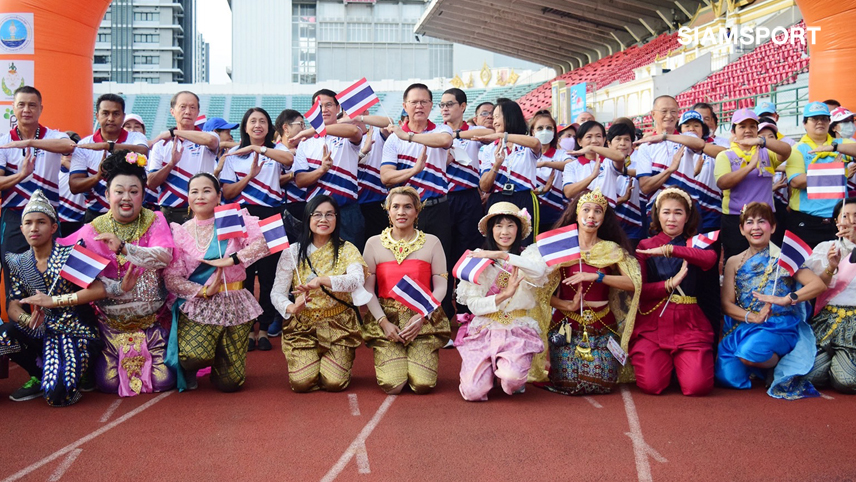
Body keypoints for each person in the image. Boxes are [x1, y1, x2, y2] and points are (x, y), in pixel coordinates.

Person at [61, 150, 176, 396]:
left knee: (165, 379)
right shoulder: (92, 229)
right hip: (111, 325)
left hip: (152, 322)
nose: (126, 198)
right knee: (108, 383)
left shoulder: (155, 220)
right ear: (107, 194)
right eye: (119, 191)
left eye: (134, 192)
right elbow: (61, 255)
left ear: (143, 195)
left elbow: (165, 255)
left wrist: (124, 248)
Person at [163, 173, 268, 392]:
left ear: (219, 196)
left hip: (235, 302)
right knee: (193, 355)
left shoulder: (232, 221)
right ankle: (195, 364)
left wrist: (233, 259)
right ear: (188, 198)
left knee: (231, 384)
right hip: (200, 304)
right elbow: (171, 278)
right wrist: (201, 290)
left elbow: (264, 242)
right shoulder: (180, 232)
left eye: (207, 190)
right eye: (194, 191)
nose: (200, 196)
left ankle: (223, 359)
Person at [0, 190, 103, 405]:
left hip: (75, 331)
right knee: (4, 336)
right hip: (42, 331)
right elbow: (13, 307)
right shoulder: (18, 262)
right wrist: (28, 320)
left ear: (53, 228)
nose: (34, 228)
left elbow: (98, 290)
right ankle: (40, 374)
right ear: (21, 229)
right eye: (28, 223)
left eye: (41, 222)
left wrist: (54, 301)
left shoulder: (71, 253)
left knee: (58, 397)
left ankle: (75, 371)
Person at [716, 202, 825, 399]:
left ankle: (775, 364)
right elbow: (726, 304)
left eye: (762, 221)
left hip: (778, 325)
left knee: (749, 353)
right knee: (727, 378)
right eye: (749, 222)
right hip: (745, 325)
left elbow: (817, 285)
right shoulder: (733, 262)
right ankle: (759, 364)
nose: (755, 227)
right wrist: (754, 317)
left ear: (773, 227)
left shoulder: (785, 257)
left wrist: (787, 299)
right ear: (742, 229)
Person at [541, 189, 641, 394]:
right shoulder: (562, 248)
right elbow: (541, 292)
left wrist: (598, 276)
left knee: (600, 383)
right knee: (569, 382)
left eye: (597, 211)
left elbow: (633, 283)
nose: (591, 216)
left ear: (604, 218)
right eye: (586, 210)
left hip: (602, 324)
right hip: (566, 326)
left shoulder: (611, 250)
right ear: (576, 215)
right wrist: (567, 305)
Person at [271, 195, 367, 392]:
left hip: (338, 326)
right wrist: (292, 307)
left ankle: (335, 363)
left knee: (334, 383)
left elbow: (357, 280)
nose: (323, 219)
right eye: (317, 214)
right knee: (301, 383)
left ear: (337, 219)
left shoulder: (347, 249)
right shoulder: (292, 252)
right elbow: (276, 293)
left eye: (329, 215)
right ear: (308, 218)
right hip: (303, 327)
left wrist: (323, 281)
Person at [362, 186, 451, 394]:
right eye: (396, 207)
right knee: (393, 385)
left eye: (407, 207)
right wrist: (383, 322)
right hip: (387, 320)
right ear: (388, 210)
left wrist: (422, 316)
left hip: (422, 319)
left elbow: (442, 285)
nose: (401, 212)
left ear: (417, 211)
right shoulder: (373, 244)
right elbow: (368, 290)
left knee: (422, 385)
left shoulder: (432, 242)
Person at [219, 107, 294, 351]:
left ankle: (263, 327)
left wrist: (258, 149)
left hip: (271, 216)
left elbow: (289, 161)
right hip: (240, 217)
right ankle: (246, 328)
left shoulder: (275, 150)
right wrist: (249, 176)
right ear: (245, 125)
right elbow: (227, 192)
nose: (258, 125)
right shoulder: (233, 154)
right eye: (253, 121)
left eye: (263, 121)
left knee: (270, 273)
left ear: (269, 127)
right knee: (244, 274)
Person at [455, 202, 546, 400]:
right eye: (498, 226)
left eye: (510, 225)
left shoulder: (529, 254)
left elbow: (539, 273)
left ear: (519, 229)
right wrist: (504, 294)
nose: (504, 232)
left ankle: (509, 372)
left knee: (511, 378)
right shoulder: (476, 257)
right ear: (490, 230)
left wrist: (503, 255)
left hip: (517, 328)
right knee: (472, 392)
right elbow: (473, 305)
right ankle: (491, 369)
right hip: (484, 328)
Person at [632, 188, 716, 396]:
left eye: (678, 213)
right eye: (666, 212)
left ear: (687, 217)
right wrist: (668, 285)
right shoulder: (645, 245)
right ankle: (671, 367)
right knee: (651, 385)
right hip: (653, 322)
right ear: (657, 215)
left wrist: (670, 249)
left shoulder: (697, 244)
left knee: (697, 387)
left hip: (689, 323)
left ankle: (682, 366)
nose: (671, 218)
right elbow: (640, 291)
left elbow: (709, 259)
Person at [0, 86, 76, 297]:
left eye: (32, 105)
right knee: (13, 272)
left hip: (48, 216)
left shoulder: (53, 136)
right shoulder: (3, 143)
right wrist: (21, 175)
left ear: (41, 109)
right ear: (13, 108)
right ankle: (18, 323)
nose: (26, 109)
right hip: (15, 215)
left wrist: (30, 142)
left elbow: (69, 145)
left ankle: (52, 324)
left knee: (53, 274)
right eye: (21, 104)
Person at [714, 108, 792, 261]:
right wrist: (750, 167)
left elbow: (786, 151)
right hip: (736, 219)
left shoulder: (766, 152)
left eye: (752, 126)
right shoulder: (725, 155)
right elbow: (723, 182)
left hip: (766, 218)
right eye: (742, 127)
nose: (748, 130)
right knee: (737, 263)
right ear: (733, 131)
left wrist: (762, 141)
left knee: (769, 263)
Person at [292, 89, 365, 246]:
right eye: (319, 106)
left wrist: (315, 130)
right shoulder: (305, 142)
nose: (324, 110)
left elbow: (354, 131)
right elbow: (300, 181)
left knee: (351, 263)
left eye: (329, 105)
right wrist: (321, 170)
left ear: (338, 108)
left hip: (346, 211)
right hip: (316, 212)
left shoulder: (346, 134)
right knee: (317, 263)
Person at [785, 102, 855, 247]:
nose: (820, 122)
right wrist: (833, 169)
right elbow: (797, 181)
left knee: (842, 266)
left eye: (824, 118)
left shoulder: (841, 144)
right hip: (807, 222)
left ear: (830, 122)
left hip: (839, 222)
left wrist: (834, 147)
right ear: (805, 123)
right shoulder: (797, 149)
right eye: (814, 118)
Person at [70, 93, 149, 222]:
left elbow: (143, 151)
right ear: (97, 116)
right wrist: (97, 177)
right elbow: (74, 186)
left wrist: (108, 146)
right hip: (96, 216)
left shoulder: (136, 138)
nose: (111, 118)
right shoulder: (84, 145)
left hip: (134, 215)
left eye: (116, 114)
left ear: (123, 117)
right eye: (105, 113)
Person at [804, 197, 856, 393]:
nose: (851, 221)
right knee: (810, 376)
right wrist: (831, 266)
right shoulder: (824, 248)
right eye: (845, 216)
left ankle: (841, 366)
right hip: (828, 320)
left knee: (846, 380)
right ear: (836, 222)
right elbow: (817, 288)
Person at [147, 91, 220, 225]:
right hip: (170, 212)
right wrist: (171, 164)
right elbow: (151, 183)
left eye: (192, 107)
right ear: (172, 111)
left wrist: (174, 132)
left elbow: (212, 141)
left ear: (198, 112)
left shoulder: (207, 137)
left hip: (201, 212)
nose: (187, 111)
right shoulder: (161, 144)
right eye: (182, 107)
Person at [476, 100, 541, 245]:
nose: (494, 121)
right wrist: (496, 166)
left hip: (523, 198)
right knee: (496, 244)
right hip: (497, 199)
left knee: (526, 245)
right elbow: (484, 186)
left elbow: (536, 144)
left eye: (498, 116)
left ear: (510, 117)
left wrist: (503, 137)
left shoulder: (526, 145)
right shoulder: (488, 149)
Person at [530, 111, 571, 234]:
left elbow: (570, 165)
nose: (544, 131)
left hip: (555, 214)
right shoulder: (525, 153)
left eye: (549, 128)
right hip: (530, 212)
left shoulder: (561, 154)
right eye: (540, 128)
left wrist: (545, 163)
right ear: (532, 131)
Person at [59, 132, 87, 237]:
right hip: (56, 223)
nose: (69, 154)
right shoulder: (52, 171)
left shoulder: (85, 172)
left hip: (78, 223)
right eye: (65, 151)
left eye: (72, 151)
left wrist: (68, 164)